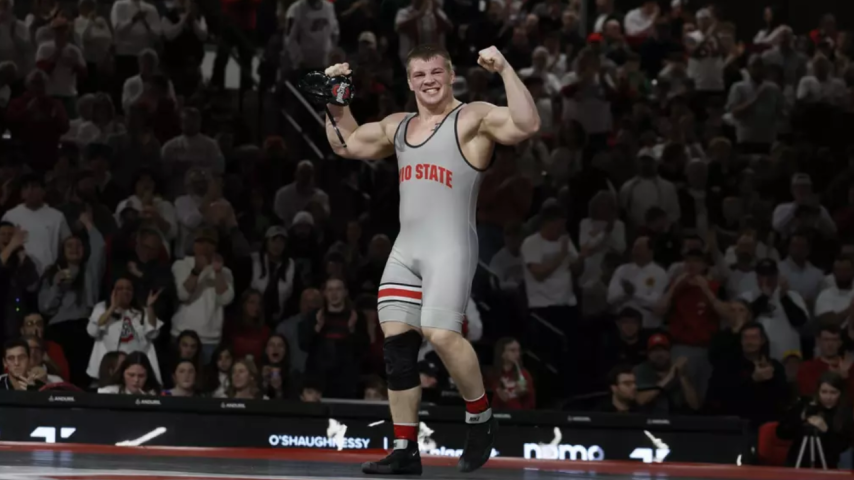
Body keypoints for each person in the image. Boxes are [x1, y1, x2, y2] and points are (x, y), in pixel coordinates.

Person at [322, 43, 540, 474]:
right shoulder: (398, 125)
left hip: (451, 247)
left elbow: (527, 124)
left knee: (440, 334)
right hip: (408, 249)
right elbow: (347, 144)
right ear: (409, 81)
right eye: (420, 74)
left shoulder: (472, 117)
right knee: (397, 346)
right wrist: (335, 97)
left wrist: (504, 69)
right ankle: (405, 449)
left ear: (451, 74)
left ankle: (480, 417)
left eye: (436, 72)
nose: (429, 81)